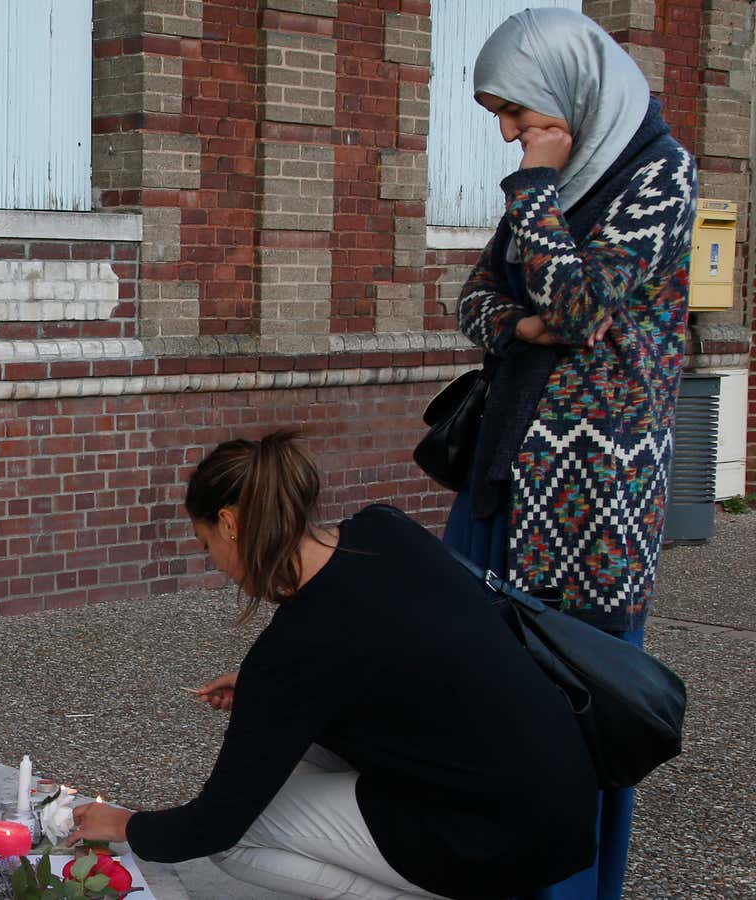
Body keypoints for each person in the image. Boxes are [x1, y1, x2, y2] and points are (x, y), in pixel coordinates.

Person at [66, 432, 598, 899]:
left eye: (206, 544)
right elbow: (401, 652)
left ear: (229, 523)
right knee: (292, 767)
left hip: (494, 839)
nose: (217, 565)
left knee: (243, 837)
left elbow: (215, 826)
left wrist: (127, 824)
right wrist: (262, 690)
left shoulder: (297, 646)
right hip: (560, 793)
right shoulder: (383, 529)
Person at [447, 10, 696, 899]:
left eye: (517, 111)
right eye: (501, 119)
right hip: (501, 474)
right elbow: (473, 299)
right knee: (476, 687)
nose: (511, 135)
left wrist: (535, 193)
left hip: (597, 495)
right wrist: (523, 322)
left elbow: (586, 309)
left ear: (568, 94)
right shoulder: (553, 187)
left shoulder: (658, 176)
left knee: (573, 707)